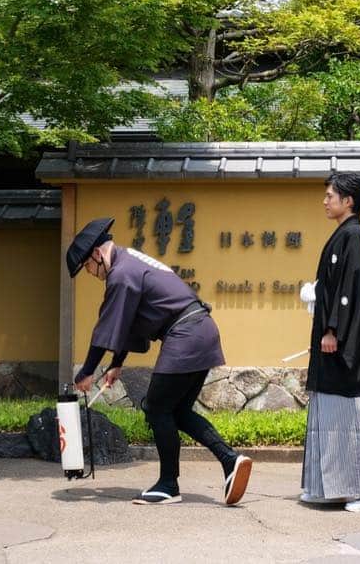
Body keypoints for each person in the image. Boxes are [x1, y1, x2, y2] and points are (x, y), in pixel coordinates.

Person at [67, 216, 252, 506]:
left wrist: (87, 371)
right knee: (176, 411)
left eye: (87, 266)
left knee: (155, 408)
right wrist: (116, 363)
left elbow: (106, 326)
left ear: (97, 254)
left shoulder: (121, 274)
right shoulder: (130, 260)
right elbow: (127, 321)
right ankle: (230, 460)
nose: (90, 273)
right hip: (201, 329)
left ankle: (168, 485)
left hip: (185, 335)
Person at [301, 173, 360, 513]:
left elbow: (348, 290)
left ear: (348, 200)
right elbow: (333, 286)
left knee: (354, 413)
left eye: (330, 196)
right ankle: (332, 488)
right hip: (334, 340)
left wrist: (333, 330)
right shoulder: (344, 234)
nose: (325, 201)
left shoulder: (354, 235)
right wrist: (317, 293)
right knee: (331, 411)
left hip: (344, 343)